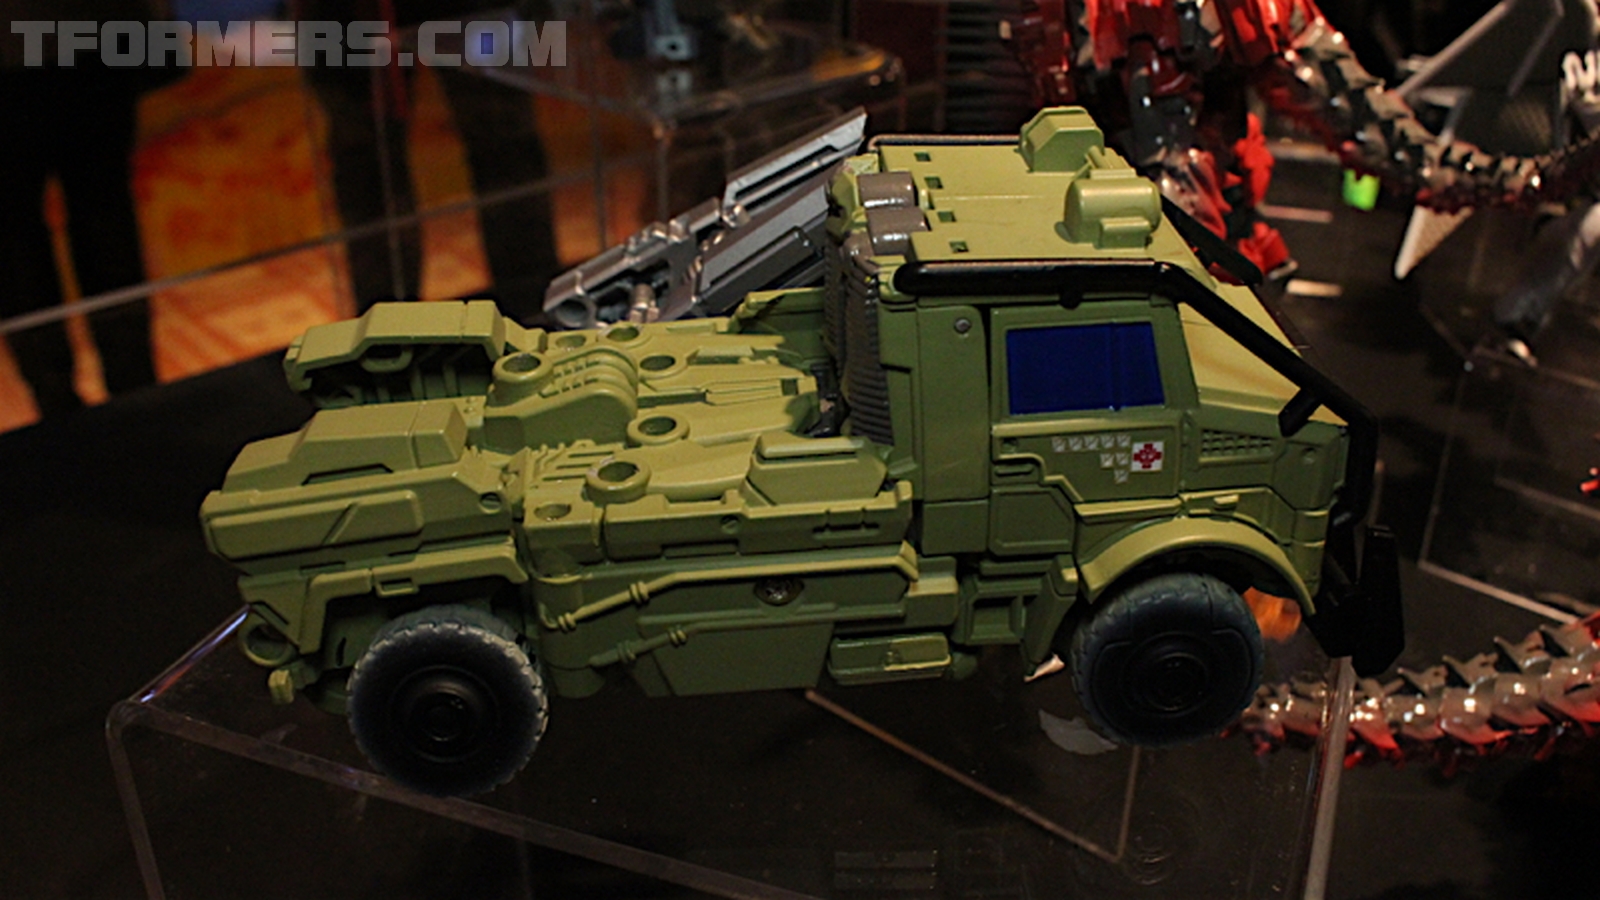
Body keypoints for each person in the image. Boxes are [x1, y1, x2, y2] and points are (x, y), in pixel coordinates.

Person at [1, 1, 163, 416]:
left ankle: (72, 402)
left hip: (87, 33)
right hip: (88, 34)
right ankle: (121, 395)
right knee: (97, 217)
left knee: (27, 236)